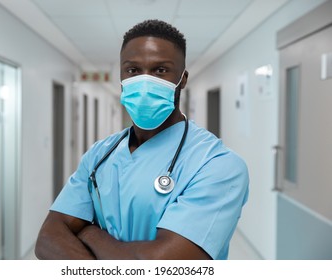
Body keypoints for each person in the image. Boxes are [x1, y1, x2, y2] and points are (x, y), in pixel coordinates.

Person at [35, 19, 249, 260]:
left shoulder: (218, 165)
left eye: (160, 70)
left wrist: (89, 233)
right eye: (133, 70)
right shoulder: (100, 154)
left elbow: (159, 266)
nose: (145, 81)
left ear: (183, 78)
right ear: (121, 77)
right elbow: (48, 238)